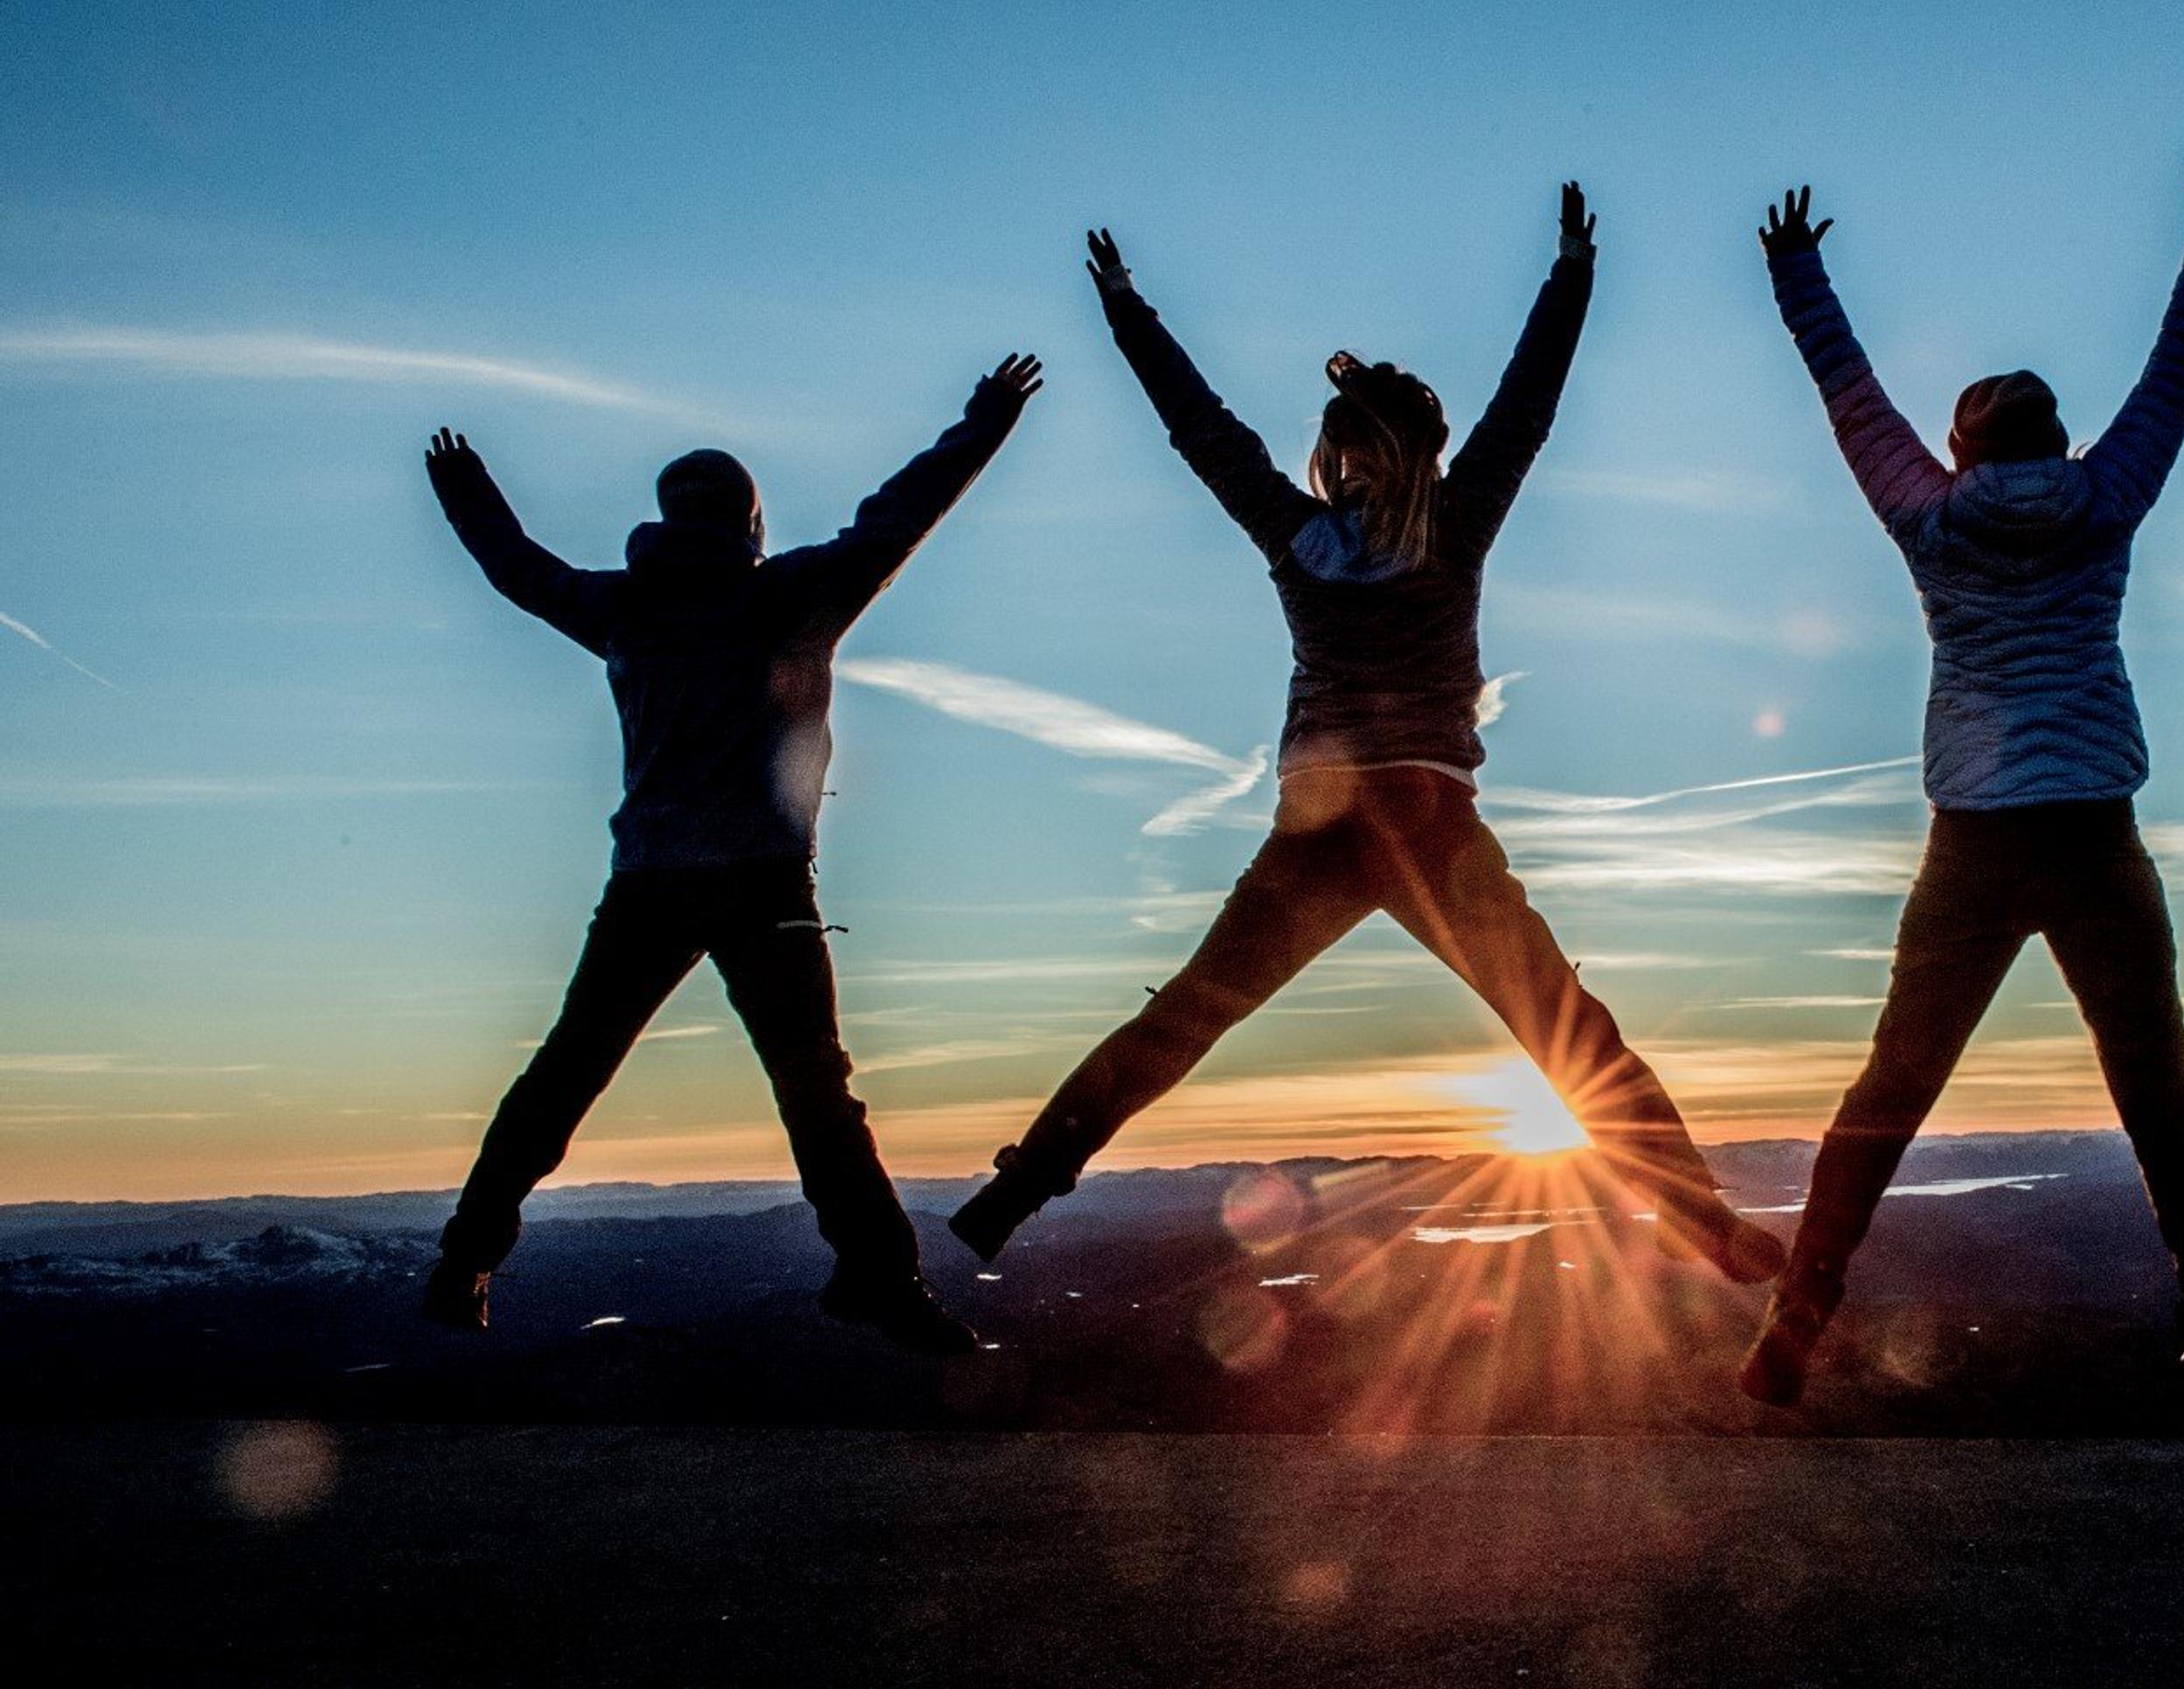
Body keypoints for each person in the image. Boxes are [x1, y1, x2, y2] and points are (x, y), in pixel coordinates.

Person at [949, 187, 1782, 1286]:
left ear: (1341, 454)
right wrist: (1571, 275)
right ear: (1427, 452)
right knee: (1570, 1035)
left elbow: (1201, 428)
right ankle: (1705, 1225)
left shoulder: (1297, 537)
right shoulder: (1455, 523)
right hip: (1431, 824)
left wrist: (1126, 308)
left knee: (1189, 1018)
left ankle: (1018, 1186)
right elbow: (1527, 408)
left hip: (1319, 825)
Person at [1737, 145, 2184, 1408]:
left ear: (1959, 452)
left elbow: (1849, 392)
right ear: (2062, 440)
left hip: (1969, 839)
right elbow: (2176, 374)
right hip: (2096, 834)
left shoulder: (1928, 516)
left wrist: (1797, 268)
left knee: (1890, 1092)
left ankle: (1794, 1326)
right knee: (2157, 1100)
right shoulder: (2107, 496)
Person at [418, 355, 1044, 1354]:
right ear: (751, 522)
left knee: (566, 1073)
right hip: (764, 886)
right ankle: (884, 1285)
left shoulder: (621, 606)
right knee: (817, 1097)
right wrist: (986, 419)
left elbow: (517, 568)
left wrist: (464, 491)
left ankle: (464, 1263)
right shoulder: (796, 595)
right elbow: (903, 513)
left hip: (650, 885)